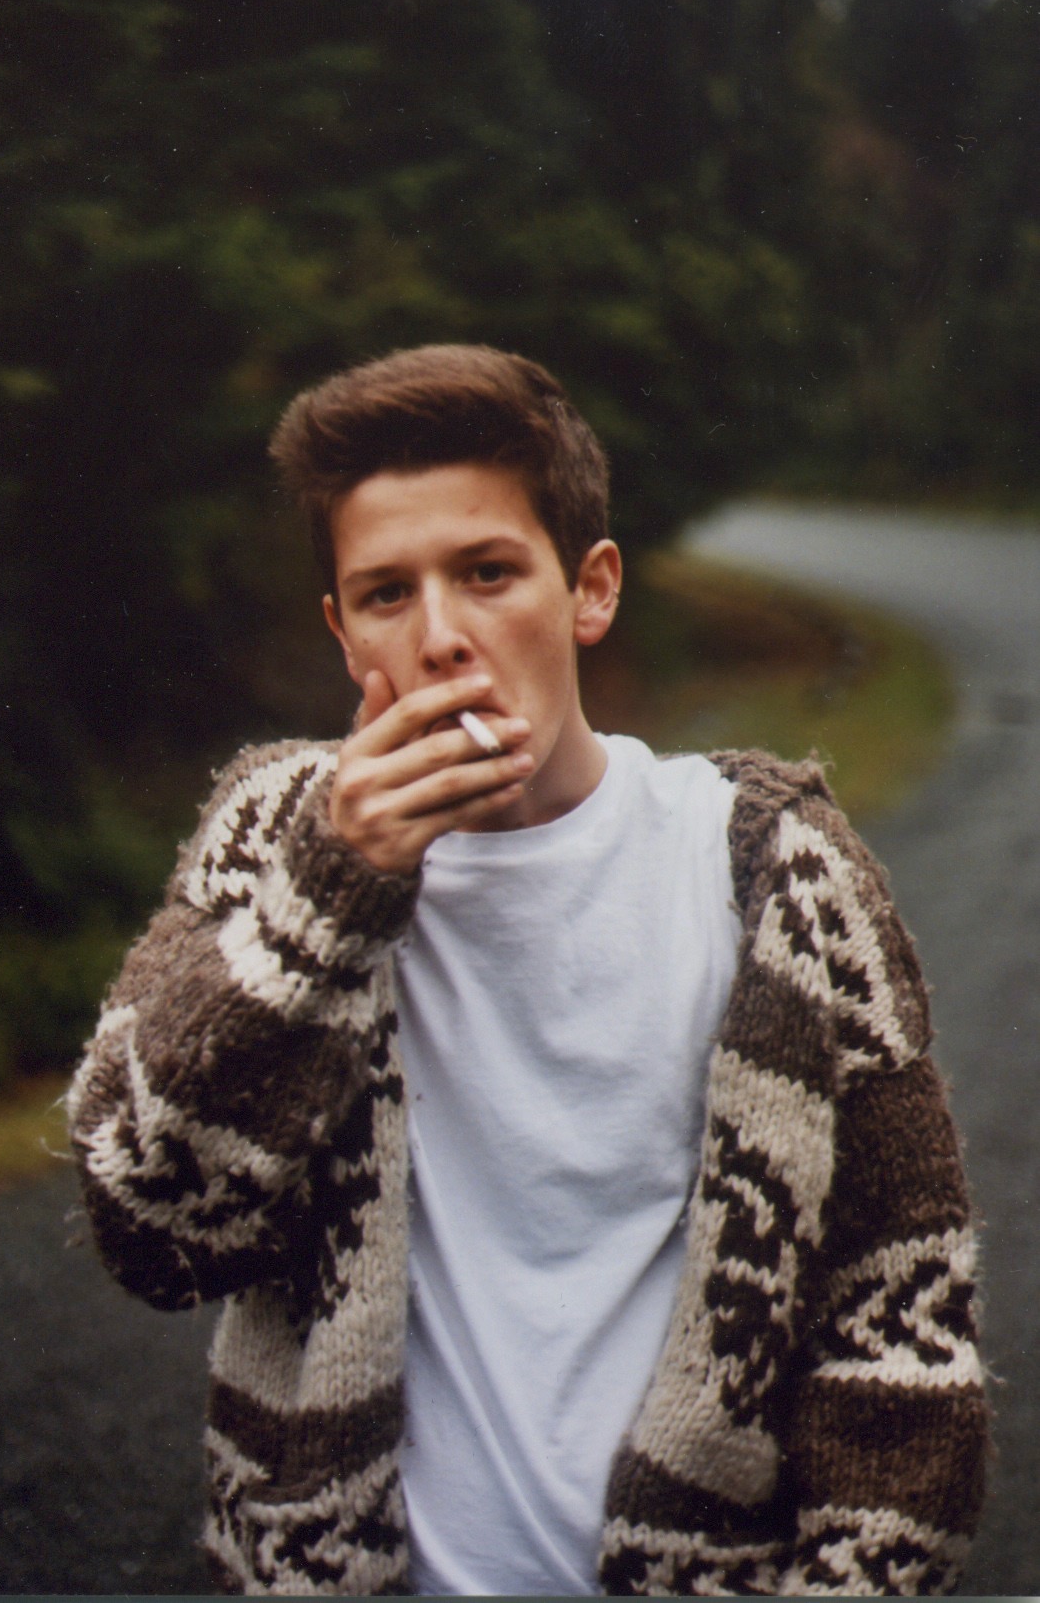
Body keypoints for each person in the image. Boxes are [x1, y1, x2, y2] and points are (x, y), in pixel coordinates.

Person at [67, 344, 988, 1596]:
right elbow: (154, 1229)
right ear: (343, 634)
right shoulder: (273, 837)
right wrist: (334, 890)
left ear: (588, 591)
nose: (442, 636)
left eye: (489, 572)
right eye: (386, 593)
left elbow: (898, 1330)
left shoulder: (776, 872)